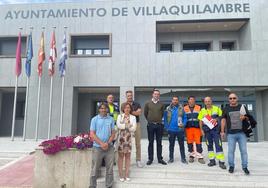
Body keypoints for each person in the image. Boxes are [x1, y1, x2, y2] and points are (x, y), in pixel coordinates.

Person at [221, 93, 251, 175]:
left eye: (234, 98)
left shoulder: (242, 107)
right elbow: (223, 120)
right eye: (230, 98)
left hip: (242, 133)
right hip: (231, 134)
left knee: (244, 151)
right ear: (229, 100)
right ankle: (231, 166)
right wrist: (222, 131)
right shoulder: (226, 108)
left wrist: (245, 117)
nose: (232, 99)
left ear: (237, 99)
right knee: (231, 151)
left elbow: (249, 117)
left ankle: (245, 167)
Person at [89, 103, 115, 188]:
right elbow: (92, 134)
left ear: (107, 109)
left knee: (110, 168)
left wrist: (107, 143)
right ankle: (92, 186)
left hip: (109, 147)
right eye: (101, 108)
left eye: (105, 108)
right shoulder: (94, 119)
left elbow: (113, 133)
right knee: (95, 168)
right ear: (99, 109)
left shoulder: (111, 119)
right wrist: (101, 143)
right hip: (97, 147)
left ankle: (109, 185)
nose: (103, 110)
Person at [198, 97, 226, 169]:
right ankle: (212, 160)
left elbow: (222, 117)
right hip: (207, 131)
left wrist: (216, 119)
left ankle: (221, 161)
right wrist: (201, 130)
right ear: (204, 102)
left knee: (218, 145)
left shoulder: (217, 108)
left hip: (216, 130)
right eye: (206, 101)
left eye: (209, 101)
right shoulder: (202, 110)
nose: (207, 102)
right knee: (209, 145)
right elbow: (200, 121)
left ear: (211, 101)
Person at [144, 89, 167, 165]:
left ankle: (160, 159)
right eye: (155, 94)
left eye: (158, 94)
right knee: (150, 142)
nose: (156, 95)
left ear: (159, 95)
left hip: (159, 125)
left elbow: (163, 114)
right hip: (150, 125)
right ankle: (150, 159)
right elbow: (145, 113)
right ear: (152, 95)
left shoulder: (162, 104)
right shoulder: (147, 103)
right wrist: (150, 120)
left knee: (159, 142)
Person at [164, 96, 187, 164]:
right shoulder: (167, 108)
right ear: (172, 101)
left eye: (176, 100)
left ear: (178, 101)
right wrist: (167, 127)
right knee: (171, 145)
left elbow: (185, 117)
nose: (175, 101)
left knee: (181, 145)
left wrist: (183, 124)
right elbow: (165, 118)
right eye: (174, 100)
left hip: (180, 130)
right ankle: (171, 158)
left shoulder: (181, 108)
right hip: (171, 130)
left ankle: (183, 158)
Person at [117, 103, 137, 182]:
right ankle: (121, 174)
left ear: (130, 109)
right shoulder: (120, 116)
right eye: (125, 108)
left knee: (128, 156)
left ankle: (127, 173)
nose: (127, 109)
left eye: (128, 107)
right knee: (121, 156)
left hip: (129, 139)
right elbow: (118, 125)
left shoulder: (133, 117)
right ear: (123, 109)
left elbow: (134, 128)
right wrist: (128, 125)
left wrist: (124, 125)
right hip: (121, 139)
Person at [125, 90, 144, 168]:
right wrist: (134, 112)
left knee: (137, 143)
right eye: (128, 95)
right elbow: (124, 114)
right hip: (127, 124)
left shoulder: (137, 104)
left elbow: (139, 113)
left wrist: (129, 111)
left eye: (131, 95)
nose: (130, 97)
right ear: (126, 96)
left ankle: (138, 160)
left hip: (137, 124)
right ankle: (127, 160)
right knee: (127, 142)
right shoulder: (124, 104)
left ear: (132, 95)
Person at [184, 96, 205, 164]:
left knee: (198, 142)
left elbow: (202, 117)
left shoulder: (199, 107)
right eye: (190, 100)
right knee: (189, 143)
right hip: (188, 128)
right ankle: (191, 156)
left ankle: (200, 157)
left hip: (197, 128)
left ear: (195, 101)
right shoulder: (184, 108)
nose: (192, 101)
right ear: (188, 101)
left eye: (193, 100)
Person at [106, 94, 120, 165]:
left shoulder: (116, 107)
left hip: (114, 127)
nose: (111, 99)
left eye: (112, 98)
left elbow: (118, 117)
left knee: (114, 144)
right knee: (107, 142)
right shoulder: (104, 107)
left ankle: (113, 160)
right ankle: (105, 160)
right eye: (109, 98)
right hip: (106, 127)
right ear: (107, 99)